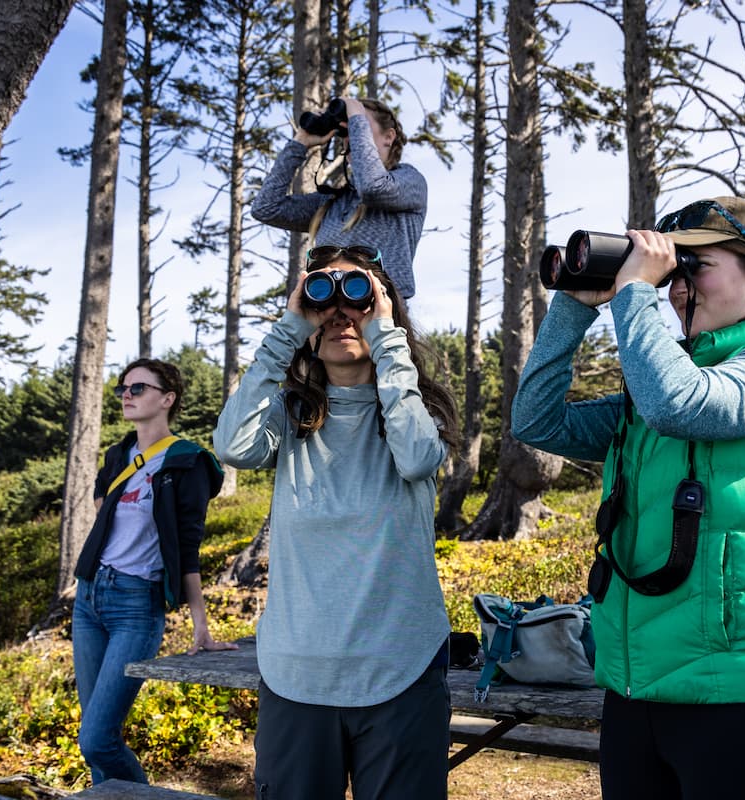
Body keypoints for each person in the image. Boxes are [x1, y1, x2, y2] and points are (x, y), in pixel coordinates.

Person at [512, 197, 745, 799]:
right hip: (637, 690)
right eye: (672, 272)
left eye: (696, 265)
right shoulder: (655, 382)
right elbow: (538, 423)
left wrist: (634, 293)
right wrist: (573, 306)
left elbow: (683, 404)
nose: (674, 287)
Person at [213, 245, 460, 800]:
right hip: (296, 674)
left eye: (360, 295)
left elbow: (418, 456)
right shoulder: (289, 414)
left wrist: (386, 339)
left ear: (384, 309)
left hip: (400, 668)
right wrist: (290, 326)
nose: (341, 312)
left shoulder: (413, 408)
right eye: (325, 296)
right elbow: (232, 445)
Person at [72, 358, 237, 785]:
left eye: (139, 388)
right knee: (92, 739)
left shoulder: (189, 462)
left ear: (167, 399)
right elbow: (101, 514)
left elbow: (187, 548)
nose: (127, 394)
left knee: (97, 740)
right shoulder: (118, 454)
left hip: (135, 606)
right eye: (123, 388)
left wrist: (201, 626)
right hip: (90, 598)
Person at [251, 96, 426, 300]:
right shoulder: (333, 202)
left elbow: (372, 187)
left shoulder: (409, 180)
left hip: (380, 319)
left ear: (388, 137)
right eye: (347, 130)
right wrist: (300, 143)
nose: (353, 134)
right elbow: (265, 208)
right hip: (329, 315)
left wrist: (356, 116)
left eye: (360, 127)